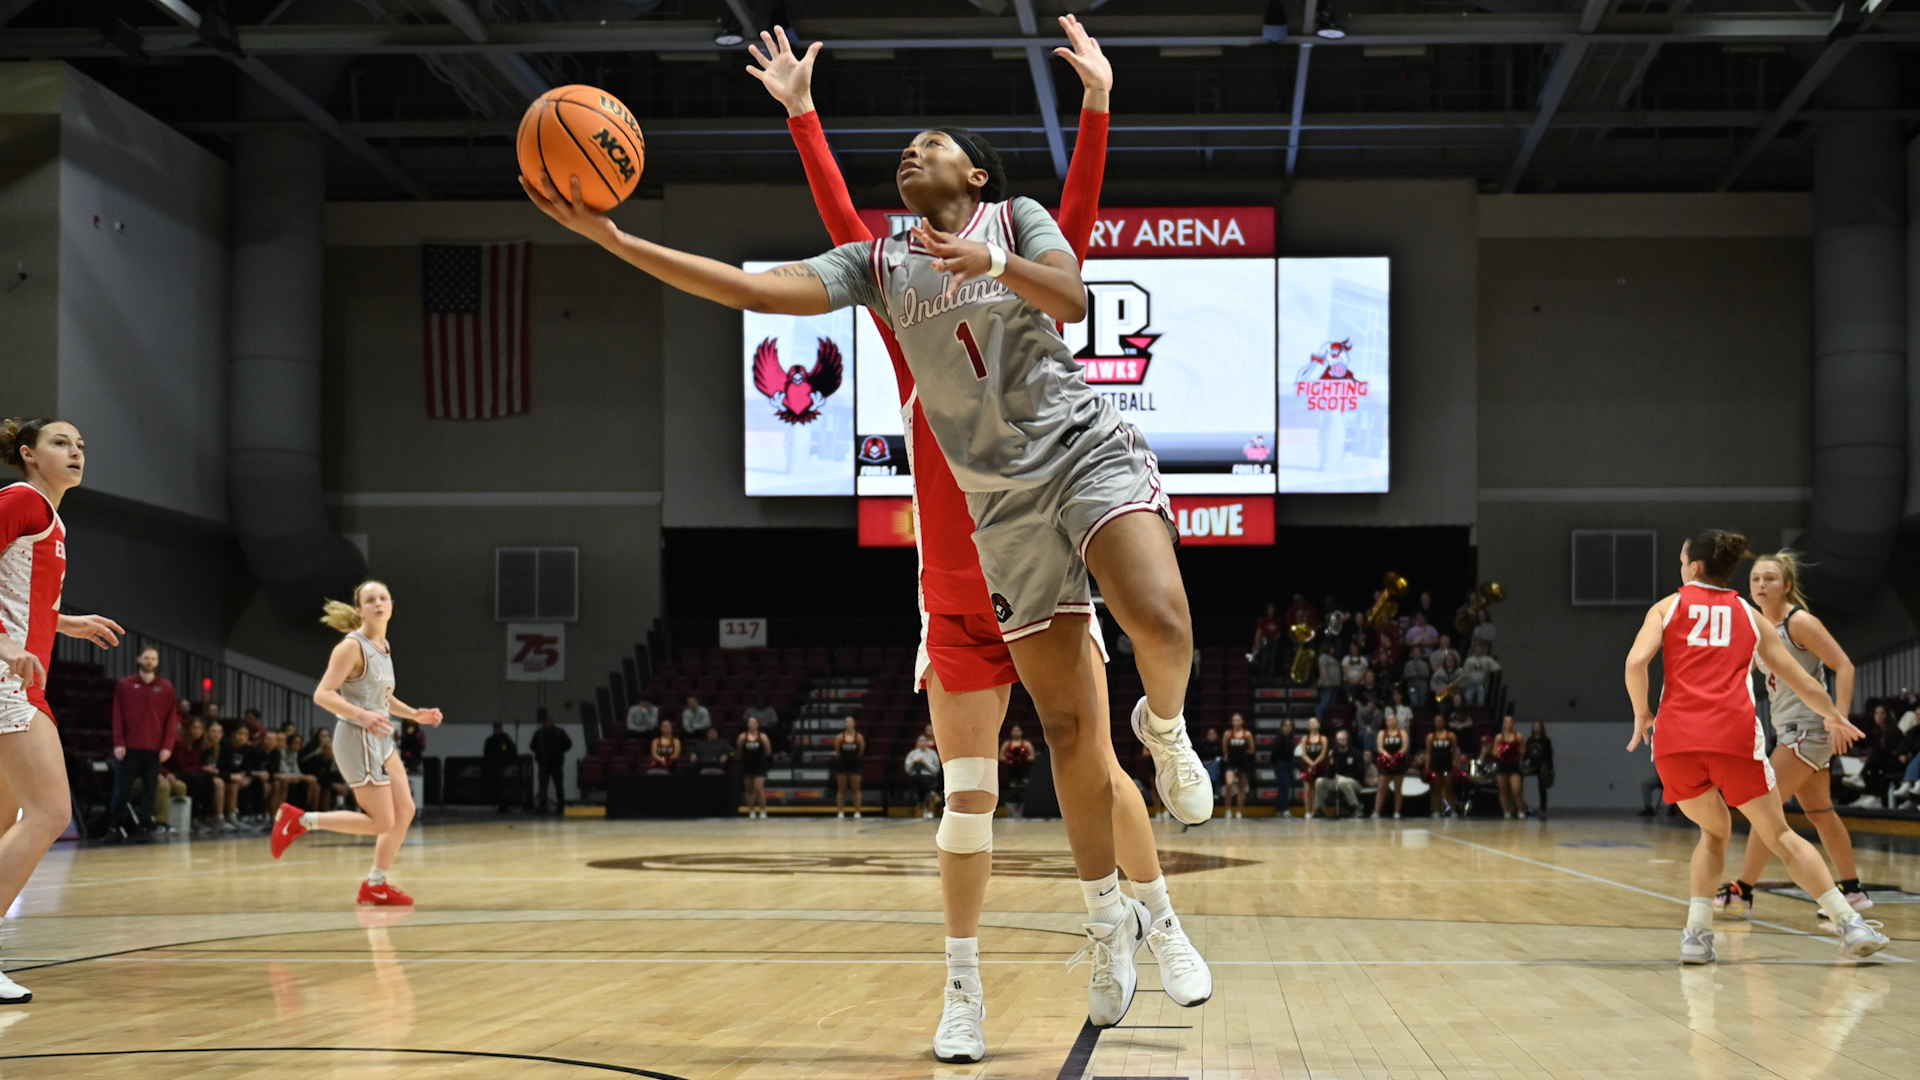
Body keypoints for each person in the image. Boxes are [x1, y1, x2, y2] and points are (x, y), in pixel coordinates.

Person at [540, 20, 1211, 1045]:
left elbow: (1071, 262)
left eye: (932, 142)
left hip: (1067, 488)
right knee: (995, 784)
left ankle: (1158, 880)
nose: (910, 149)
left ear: (976, 175)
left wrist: (1096, 106)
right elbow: (765, 280)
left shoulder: (1018, 233)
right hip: (973, 569)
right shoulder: (890, 285)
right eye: (904, 145)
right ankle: (1004, 971)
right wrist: (625, 237)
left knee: (1124, 709)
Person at [742, 20, 1208, 1052]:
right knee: (966, 802)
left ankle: (1159, 920)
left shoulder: (1022, 273)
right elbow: (844, 225)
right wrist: (802, 114)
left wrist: (1097, 107)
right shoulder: (904, 315)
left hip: (1043, 562)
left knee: (1100, 769)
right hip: (956, 595)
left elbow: (1071, 228)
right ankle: (963, 992)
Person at [1624, 529, 1886, 962]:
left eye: (1681, 561)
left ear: (1694, 567)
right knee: (1779, 834)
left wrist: (1642, 713)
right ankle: (1850, 923)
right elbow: (1803, 681)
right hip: (1733, 738)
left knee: (1714, 832)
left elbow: (1636, 662)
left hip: (1676, 742)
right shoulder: (1749, 615)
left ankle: (1696, 936)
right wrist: (1833, 714)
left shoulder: (1667, 607)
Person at [0, 419, 123, 1001]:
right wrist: (4, 646)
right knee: (50, 811)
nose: (76, 452)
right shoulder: (21, 499)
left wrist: (64, 621)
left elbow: (18, 593)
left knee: (6, 820)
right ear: (28, 454)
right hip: (7, 678)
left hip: (20, 676)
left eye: (81, 445)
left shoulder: (50, 518)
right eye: (60, 443)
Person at [1714, 550, 1871, 920]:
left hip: (1808, 729)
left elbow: (1844, 665)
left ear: (1786, 585)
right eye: (1755, 579)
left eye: (1769, 578)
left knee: (1763, 808)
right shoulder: (1757, 627)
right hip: (1790, 729)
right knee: (1821, 812)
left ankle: (1742, 891)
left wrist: (1838, 718)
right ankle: (1853, 891)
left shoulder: (1798, 623)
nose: (1761, 585)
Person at [268, 580, 446, 908]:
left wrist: (414, 714)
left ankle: (375, 885)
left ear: (391, 606)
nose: (378, 603)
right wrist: (362, 715)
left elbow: (382, 698)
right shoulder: (351, 647)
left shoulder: (383, 646)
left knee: (405, 810)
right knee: (382, 821)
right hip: (357, 737)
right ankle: (301, 820)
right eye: (370, 599)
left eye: (383, 598)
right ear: (360, 609)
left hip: (380, 738)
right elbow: (323, 694)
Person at [107, 645, 178, 841]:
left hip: (154, 749)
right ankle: (114, 828)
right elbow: (117, 715)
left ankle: (146, 828)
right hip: (129, 748)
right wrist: (118, 742)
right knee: (121, 790)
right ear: (139, 659)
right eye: (146, 658)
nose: (150, 662)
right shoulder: (125, 685)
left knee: (150, 791)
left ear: (157, 662)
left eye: (153, 659)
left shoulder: (166, 687)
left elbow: (171, 719)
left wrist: (167, 745)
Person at [217, 724, 262, 830]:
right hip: (224, 776)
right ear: (233, 734)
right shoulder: (225, 746)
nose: (242, 737)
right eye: (240, 734)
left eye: (245, 735)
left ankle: (253, 815)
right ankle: (230, 816)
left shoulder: (245, 748)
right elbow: (221, 767)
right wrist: (234, 776)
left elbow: (248, 768)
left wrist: (243, 777)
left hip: (236, 777)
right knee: (234, 785)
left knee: (256, 782)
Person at [265, 730, 320, 817]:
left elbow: (295, 771)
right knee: (281, 784)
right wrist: (304, 777)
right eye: (279, 740)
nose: (281, 743)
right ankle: (275, 814)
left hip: (284, 778)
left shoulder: (293, 753)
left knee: (312, 784)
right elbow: (283, 772)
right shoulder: (279, 753)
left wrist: (303, 777)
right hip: (276, 779)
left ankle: (308, 813)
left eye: (283, 740)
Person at [530, 709, 572, 811]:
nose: (547, 723)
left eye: (549, 721)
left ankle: (561, 806)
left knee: (559, 786)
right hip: (543, 764)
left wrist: (559, 752)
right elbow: (532, 746)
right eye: (546, 721)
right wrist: (539, 754)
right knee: (543, 787)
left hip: (556, 764)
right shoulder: (539, 733)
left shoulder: (559, 732)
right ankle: (543, 806)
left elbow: (568, 744)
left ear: (552, 722)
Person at [1318, 729, 1365, 818]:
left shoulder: (1356, 753)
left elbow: (1360, 772)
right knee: (1320, 781)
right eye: (1339, 740)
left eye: (1343, 740)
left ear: (1348, 740)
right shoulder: (1334, 754)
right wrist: (1331, 761)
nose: (1340, 742)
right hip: (1337, 782)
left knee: (1342, 781)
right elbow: (1328, 775)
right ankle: (1320, 809)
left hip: (1355, 782)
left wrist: (1344, 777)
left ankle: (1356, 807)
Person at [1374, 711, 1410, 819]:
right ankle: (1376, 812)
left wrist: (1396, 757)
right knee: (1382, 788)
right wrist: (1388, 757)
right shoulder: (1382, 733)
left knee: (1398, 788)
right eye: (1389, 720)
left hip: (1399, 762)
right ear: (1386, 722)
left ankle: (1397, 812)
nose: (1391, 721)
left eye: (1393, 719)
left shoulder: (1402, 733)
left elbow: (1404, 748)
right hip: (1385, 763)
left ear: (1397, 721)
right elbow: (1380, 748)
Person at [1490, 713, 1525, 818]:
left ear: (1513, 723)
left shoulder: (1518, 736)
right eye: (1506, 721)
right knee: (1503, 790)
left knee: (1516, 790)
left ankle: (1521, 810)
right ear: (1504, 724)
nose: (1509, 723)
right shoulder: (1499, 737)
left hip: (1514, 766)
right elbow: (1494, 752)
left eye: (1511, 721)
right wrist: (1502, 753)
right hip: (1503, 766)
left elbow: (1523, 750)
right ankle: (1506, 812)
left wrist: (1515, 753)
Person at [1425, 715, 1458, 818]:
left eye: (1440, 721)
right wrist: (1427, 768)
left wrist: (1458, 766)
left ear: (1444, 722)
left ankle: (1453, 810)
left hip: (1448, 765)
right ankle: (1436, 810)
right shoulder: (1431, 737)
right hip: (1435, 765)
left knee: (1449, 788)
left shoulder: (1451, 736)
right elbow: (1428, 753)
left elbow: (1455, 752)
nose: (1438, 723)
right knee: (1436, 789)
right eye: (1436, 721)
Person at [1222, 713, 1254, 819]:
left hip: (1243, 762)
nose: (1237, 722)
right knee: (1229, 783)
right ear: (1232, 722)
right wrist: (1232, 754)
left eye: (1238, 720)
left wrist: (1242, 752)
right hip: (1231, 762)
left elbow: (1252, 749)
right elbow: (1225, 749)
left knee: (1242, 788)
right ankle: (1228, 809)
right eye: (1234, 720)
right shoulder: (1228, 734)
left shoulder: (1247, 734)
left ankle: (1239, 811)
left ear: (1242, 721)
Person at [737, 716, 771, 818]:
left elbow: (768, 751)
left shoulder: (763, 737)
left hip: (759, 766)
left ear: (757, 724)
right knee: (749, 789)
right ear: (747, 724)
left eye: (753, 722)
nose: (751, 724)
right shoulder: (742, 737)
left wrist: (758, 758)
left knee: (758, 789)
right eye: (749, 722)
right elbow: (740, 751)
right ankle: (751, 811)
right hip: (747, 765)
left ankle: (763, 810)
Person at [833, 716, 865, 819]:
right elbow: (838, 752)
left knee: (856, 790)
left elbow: (861, 752)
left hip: (854, 765)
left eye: (850, 722)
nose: (849, 724)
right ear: (844, 724)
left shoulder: (859, 737)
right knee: (841, 790)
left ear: (854, 723)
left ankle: (857, 812)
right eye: (846, 722)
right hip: (842, 765)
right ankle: (840, 812)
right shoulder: (839, 737)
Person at [999, 725, 1035, 814]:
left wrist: (1022, 758)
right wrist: (1011, 759)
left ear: (1021, 732)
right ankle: (1012, 810)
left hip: (1024, 770)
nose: (1016, 733)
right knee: (1012, 790)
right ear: (1011, 733)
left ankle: (1024, 810)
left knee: (1023, 789)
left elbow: (1032, 756)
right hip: (1011, 771)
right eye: (1014, 731)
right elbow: (1001, 756)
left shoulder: (1026, 744)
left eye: (1018, 731)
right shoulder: (1007, 744)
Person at [482, 723, 518, 812]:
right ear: (494, 730)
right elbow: (487, 753)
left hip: (504, 767)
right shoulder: (490, 740)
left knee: (505, 786)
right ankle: (498, 803)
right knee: (496, 786)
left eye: (499, 729)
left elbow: (512, 750)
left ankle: (504, 805)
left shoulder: (505, 739)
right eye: (496, 729)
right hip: (494, 767)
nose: (498, 730)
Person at [1298, 716, 1329, 815]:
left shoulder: (1323, 738)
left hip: (1319, 765)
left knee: (1315, 789)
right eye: (1310, 723)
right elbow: (1303, 754)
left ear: (1319, 725)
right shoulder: (1305, 738)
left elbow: (1323, 754)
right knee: (1307, 790)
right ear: (1308, 726)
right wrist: (1311, 764)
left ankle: (1314, 810)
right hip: (1307, 766)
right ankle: (1307, 812)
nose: (1313, 724)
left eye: (1315, 722)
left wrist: (1314, 764)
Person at [1524, 720, 1555, 819]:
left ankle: (1542, 808)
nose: (1536, 728)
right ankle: (1521, 805)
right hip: (1532, 765)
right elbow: (1526, 753)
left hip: (1542, 767)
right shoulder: (1530, 740)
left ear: (1542, 728)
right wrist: (1522, 762)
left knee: (1542, 788)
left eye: (1538, 726)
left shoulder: (1546, 740)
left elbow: (1549, 756)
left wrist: (1550, 768)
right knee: (1519, 779)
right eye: (1535, 726)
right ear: (1533, 728)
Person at [906, 735, 942, 819]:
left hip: (929, 776)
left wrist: (925, 763)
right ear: (917, 743)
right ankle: (932, 794)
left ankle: (924, 805)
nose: (922, 743)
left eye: (924, 741)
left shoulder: (932, 754)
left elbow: (936, 769)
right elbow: (908, 769)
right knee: (924, 784)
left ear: (927, 742)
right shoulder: (912, 754)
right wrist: (914, 761)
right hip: (915, 776)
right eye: (920, 741)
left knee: (925, 782)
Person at [1462, 643, 1501, 708]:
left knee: (1480, 701)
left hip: (1481, 684)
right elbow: (1464, 672)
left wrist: (1489, 669)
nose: (1478, 651)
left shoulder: (1487, 659)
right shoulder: (1469, 660)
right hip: (1470, 683)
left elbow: (1498, 667)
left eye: (1480, 650)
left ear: (1483, 650)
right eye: (1477, 650)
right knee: (1468, 699)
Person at [1251, 602, 1283, 676]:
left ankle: (1270, 677)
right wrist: (1256, 641)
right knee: (1264, 659)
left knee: (1272, 660)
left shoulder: (1276, 621)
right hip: (1265, 640)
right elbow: (1259, 631)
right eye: (1270, 609)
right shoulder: (1262, 620)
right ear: (1266, 610)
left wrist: (1276, 637)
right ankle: (1261, 676)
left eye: (1272, 609)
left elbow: (1279, 631)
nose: (1271, 611)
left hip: (1273, 641)